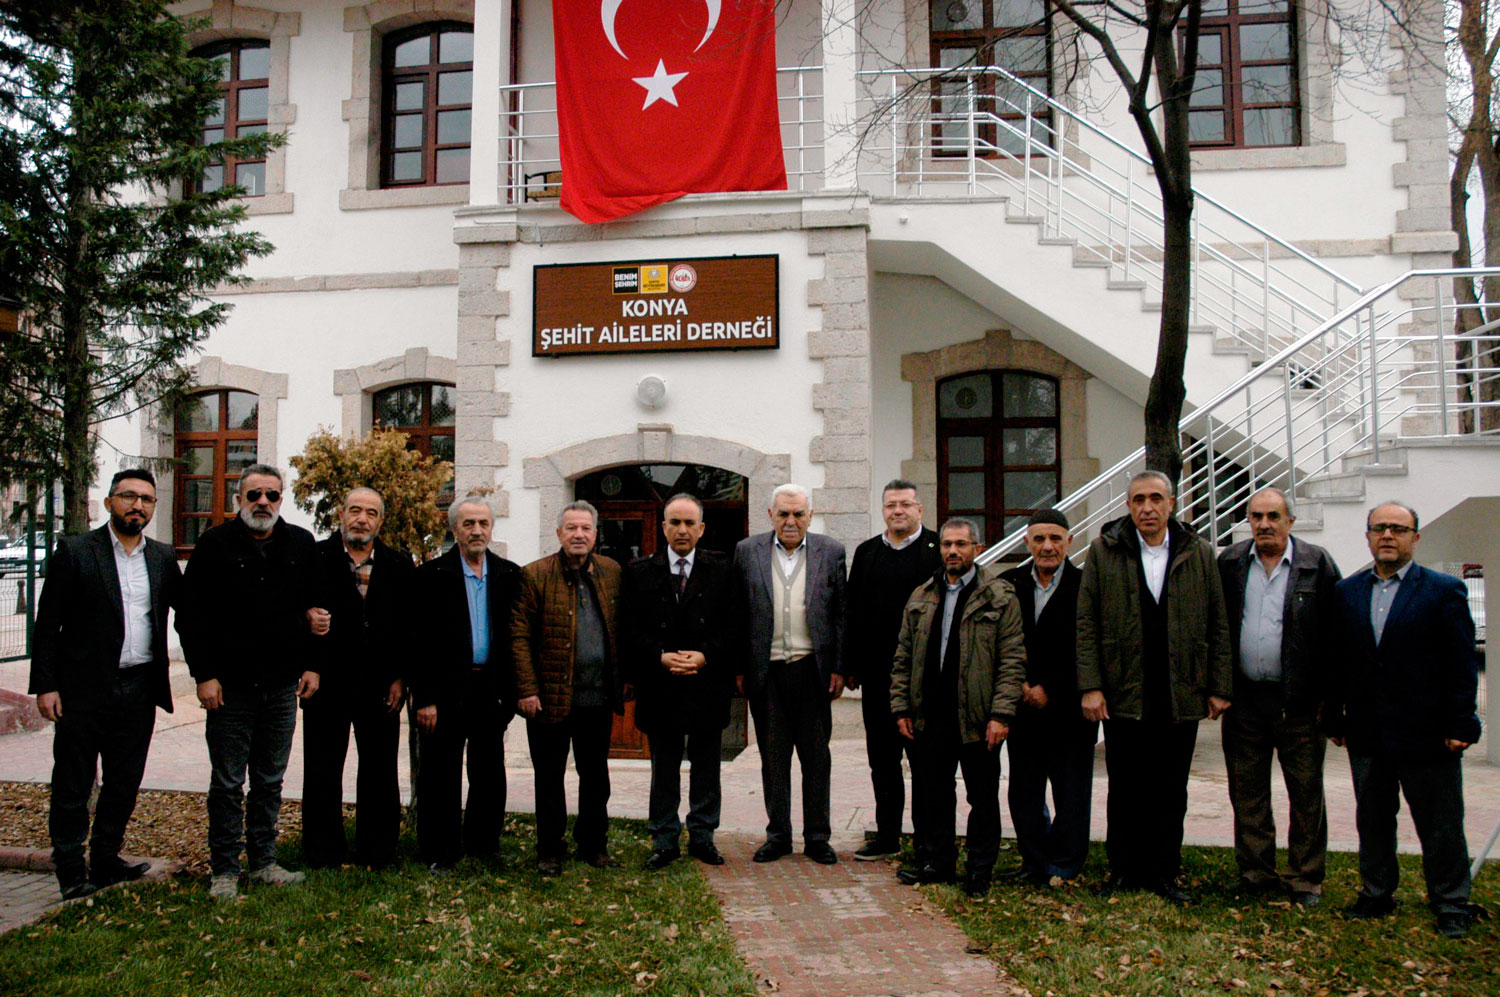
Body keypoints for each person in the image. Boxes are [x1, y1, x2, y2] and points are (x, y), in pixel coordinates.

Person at [1326, 502, 1483, 938]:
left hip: (1428, 733)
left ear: (1415, 536)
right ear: (1368, 536)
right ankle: (1376, 894)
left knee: (1440, 822)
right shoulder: (1347, 592)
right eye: (1380, 528)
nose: (1388, 536)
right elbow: (1340, 662)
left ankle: (1451, 902)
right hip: (1367, 732)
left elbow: (1461, 664)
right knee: (1373, 819)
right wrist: (1336, 717)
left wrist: (1461, 723)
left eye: (1398, 528)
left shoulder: (1442, 591)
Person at [1076, 470, 1232, 904]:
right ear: (1128, 506)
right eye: (1138, 500)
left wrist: (1218, 685)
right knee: (1125, 787)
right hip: (1124, 692)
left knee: (1170, 789)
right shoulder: (1104, 552)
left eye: (1155, 499)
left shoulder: (1198, 552)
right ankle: (1124, 871)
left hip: (1179, 692)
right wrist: (1090, 685)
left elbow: (1217, 620)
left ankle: (1165, 872)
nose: (1147, 507)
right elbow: (1086, 623)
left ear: (1172, 503)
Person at [29, 469, 181, 899]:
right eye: (129, 497)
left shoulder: (163, 557)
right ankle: (71, 871)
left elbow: (191, 614)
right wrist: (46, 684)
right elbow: (48, 625)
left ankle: (106, 859)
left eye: (147, 499)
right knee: (74, 782)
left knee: (124, 780)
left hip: (139, 689)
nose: (138, 506)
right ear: (109, 501)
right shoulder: (76, 552)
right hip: (82, 689)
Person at [177, 464, 319, 902]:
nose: (263, 503)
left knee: (270, 780)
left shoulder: (300, 543)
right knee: (226, 782)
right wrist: (204, 676)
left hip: (280, 687)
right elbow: (190, 617)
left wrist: (311, 666)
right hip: (230, 688)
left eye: (271, 495)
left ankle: (263, 863)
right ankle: (224, 869)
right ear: (238, 499)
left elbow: (316, 610)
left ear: (282, 499)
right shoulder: (213, 544)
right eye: (253, 494)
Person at [1216, 488, 1341, 907]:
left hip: (1300, 705)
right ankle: (1255, 874)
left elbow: (1335, 633)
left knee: (1306, 794)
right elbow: (1217, 629)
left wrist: (1331, 698)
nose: (1264, 524)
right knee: (1247, 793)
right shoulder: (1231, 563)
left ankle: (1305, 877)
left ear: (1290, 521)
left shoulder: (1316, 564)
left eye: (1273, 516)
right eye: (1256, 517)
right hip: (1245, 701)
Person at [889, 517, 1025, 898]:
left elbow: (1012, 661)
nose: (952, 551)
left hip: (978, 718)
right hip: (929, 714)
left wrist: (1002, 714)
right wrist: (901, 707)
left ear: (977, 549)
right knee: (933, 793)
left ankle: (980, 870)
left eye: (961, 544)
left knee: (981, 797)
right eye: (947, 544)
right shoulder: (921, 595)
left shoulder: (999, 596)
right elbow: (902, 657)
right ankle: (938, 862)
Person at [621, 493, 741, 870]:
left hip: (707, 682)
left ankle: (703, 836)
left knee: (707, 764)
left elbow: (734, 625)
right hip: (661, 684)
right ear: (663, 527)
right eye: (675, 522)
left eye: (690, 523)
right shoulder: (640, 571)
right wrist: (659, 655)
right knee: (665, 766)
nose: (682, 530)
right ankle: (665, 839)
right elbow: (628, 628)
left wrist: (705, 655)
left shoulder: (722, 568)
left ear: (702, 528)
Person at [301, 487, 414, 871]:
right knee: (322, 768)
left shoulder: (399, 563)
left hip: (381, 685)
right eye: (355, 511)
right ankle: (322, 852)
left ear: (380, 521)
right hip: (326, 683)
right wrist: (306, 633)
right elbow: (292, 608)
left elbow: (407, 627)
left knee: (381, 769)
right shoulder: (314, 557)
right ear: (341, 514)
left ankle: (378, 851)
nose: (361, 519)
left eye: (370, 513)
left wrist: (401, 677)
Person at [733, 483, 847, 865]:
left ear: (810, 515)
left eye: (799, 513)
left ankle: (817, 836)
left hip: (812, 671)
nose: (791, 521)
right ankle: (778, 834)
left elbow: (840, 615)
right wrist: (740, 668)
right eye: (783, 513)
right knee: (774, 758)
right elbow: (738, 617)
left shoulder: (831, 552)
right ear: (770, 516)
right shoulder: (747, 552)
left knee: (817, 758)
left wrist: (839, 668)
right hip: (766, 673)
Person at [412, 493, 522, 872]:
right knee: (440, 772)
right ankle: (440, 850)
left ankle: (484, 845)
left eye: (483, 523)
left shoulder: (510, 575)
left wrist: (512, 694)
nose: (477, 531)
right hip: (443, 693)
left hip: (491, 690)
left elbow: (516, 637)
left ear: (492, 528)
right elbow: (418, 642)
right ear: (454, 528)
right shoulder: (430, 576)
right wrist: (424, 698)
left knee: (489, 770)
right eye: (468, 523)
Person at [513, 499, 622, 875]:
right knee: (549, 778)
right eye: (571, 528)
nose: (578, 534)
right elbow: (519, 636)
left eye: (585, 528)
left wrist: (623, 680)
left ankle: (594, 845)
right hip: (548, 700)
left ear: (595, 534)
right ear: (558, 533)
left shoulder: (611, 572)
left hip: (597, 697)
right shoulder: (535, 575)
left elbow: (619, 628)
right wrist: (527, 689)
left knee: (596, 777)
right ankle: (549, 850)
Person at [843, 479, 941, 861]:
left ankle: (925, 840)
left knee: (924, 763)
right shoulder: (867, 553)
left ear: (919, 509)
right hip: (878, 676)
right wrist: (850, 664)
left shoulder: (938, 550)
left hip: (925, 678)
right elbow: (852, 611)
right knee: (882, 762)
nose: (898, 511)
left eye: (905, 504)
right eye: (890, 505)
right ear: (882, 510)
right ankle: (887, 836)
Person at [999, 508, 1095, 885]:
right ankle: (1034, 862)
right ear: (1027, 542)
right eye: (1039, 539)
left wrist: (1050, 689)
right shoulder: (1008, 584)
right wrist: (1021, 685)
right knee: (1024, 793)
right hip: (1022, 710)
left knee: (1071, 794)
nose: (1047, 546)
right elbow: (1000, 643)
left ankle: (1065, 864)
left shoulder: (1086, 584)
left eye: (1055, 538)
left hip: (1069, 711)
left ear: (1069, 542)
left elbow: (1088, 646)